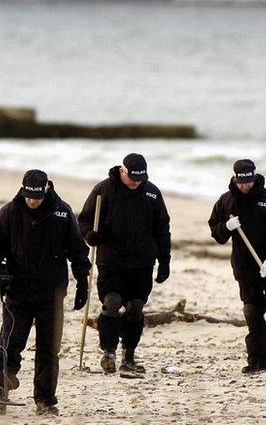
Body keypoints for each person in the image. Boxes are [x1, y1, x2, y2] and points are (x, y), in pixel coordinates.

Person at [0, 170, 91, 416]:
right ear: (23, 190)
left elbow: (78, 251)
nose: (32, 201)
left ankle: (45, 399)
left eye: (37, 197)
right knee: (9, 341)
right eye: (29, 196)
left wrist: (82, 281)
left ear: (46, 190)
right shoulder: (9, 212)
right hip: (17, 293)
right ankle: (1, 388)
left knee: (48, 348)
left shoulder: (62, 213)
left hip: (51, 294)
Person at [78, 153, 171, 377]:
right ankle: (108, 351)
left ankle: (128, 354)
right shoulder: (103, 190)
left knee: (136, 306)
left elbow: (162, 228)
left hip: (142, 261)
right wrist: (89, 235)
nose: (136, 182)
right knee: (112, 302)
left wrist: (165, 260)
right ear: (122, 171)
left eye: (141, 178)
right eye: (132, 177)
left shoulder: (152, 193)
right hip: (111, 258)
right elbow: (84, 220)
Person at [208, 159, 266, 374]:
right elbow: (216, 231)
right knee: (252, 311)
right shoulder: (226, 201)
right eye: (241, 182)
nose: (245, 186)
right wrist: (226, 226)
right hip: (245, 267)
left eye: (249, 182)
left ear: (254, 177)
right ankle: (257, 361)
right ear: (235, 179)